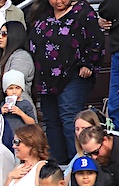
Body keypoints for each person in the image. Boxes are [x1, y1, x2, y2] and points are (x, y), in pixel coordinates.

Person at [29, 0, 105, 161]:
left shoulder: (84, 12)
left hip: (74, 74)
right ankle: (58, 163)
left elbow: (97, 41)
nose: (58, 1)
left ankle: (78, 161)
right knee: (51, 119)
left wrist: (88, 63)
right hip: (46, 76)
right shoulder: (41, 11)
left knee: (70, 116)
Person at [0, 21, 33, 101]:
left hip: (18, 105)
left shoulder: (22, 57)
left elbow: (13, 83)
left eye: (4, 34)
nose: (0, 37)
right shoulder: (0, 56)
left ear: (15, 35)